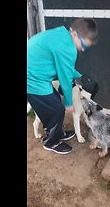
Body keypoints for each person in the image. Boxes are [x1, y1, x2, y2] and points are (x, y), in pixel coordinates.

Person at [27, 18, 98, 154]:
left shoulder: (62, 35)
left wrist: (79, 77)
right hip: (32, 79)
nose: (82, 49)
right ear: (75, 34)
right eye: (83, 44)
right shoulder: (68, 48)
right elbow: (65, 78)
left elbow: (66, 67)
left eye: (86, 47)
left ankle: (57, 133)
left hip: (37, 75)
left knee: (54, 102)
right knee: (57, 110)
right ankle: (51, 142)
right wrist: (68, 102)